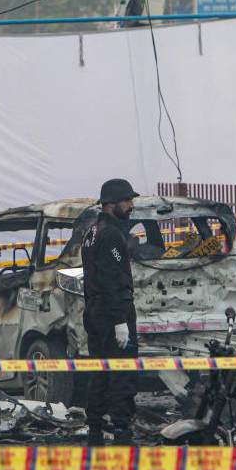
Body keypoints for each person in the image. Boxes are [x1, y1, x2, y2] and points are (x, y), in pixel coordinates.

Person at [81, 178, 139, 445]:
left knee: (100, 373)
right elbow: (112, 279)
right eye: (127, 201)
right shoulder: (112, 235)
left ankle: (95, 430)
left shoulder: (92, 232)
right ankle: (122, 433)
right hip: (112, 313)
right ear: (111, 203)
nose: (131, 206)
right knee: (121, 374)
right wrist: (120, 321)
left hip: (95, 313)